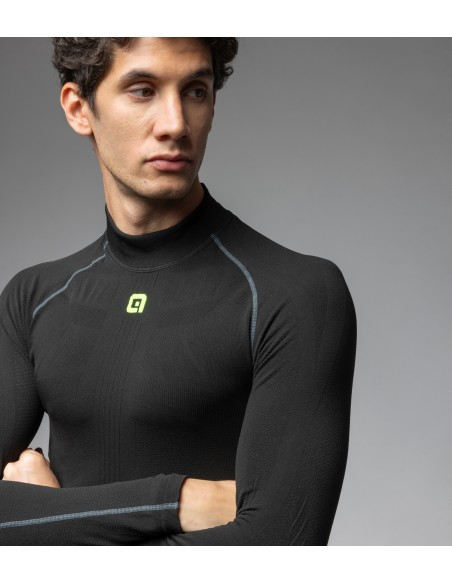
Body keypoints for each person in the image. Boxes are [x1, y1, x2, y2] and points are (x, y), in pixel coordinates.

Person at [0, 37, 357, 545]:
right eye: (143, 90)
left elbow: (278, 548)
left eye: (195, 91)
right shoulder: (32, 299)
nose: (175, 124)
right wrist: (173, 501)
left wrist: (44, 520)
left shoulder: (294, 295)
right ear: (79, 108)